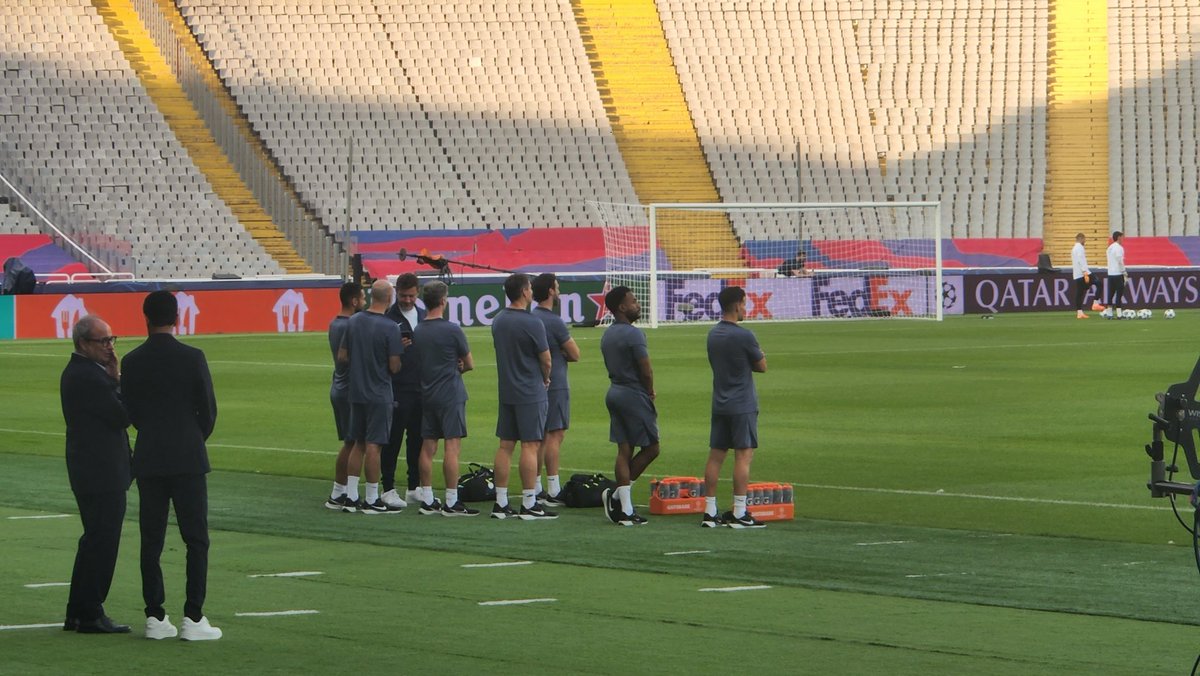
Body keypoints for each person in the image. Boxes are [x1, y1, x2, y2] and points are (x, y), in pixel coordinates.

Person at [122, 291, 221, 640]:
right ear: (177, 318)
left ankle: (154, 615)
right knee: (196, 539)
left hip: (149, 455)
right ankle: (193, 617)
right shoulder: (193, 357)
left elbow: (130, 412)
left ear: (146, 317)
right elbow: (208, 410)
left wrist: (153, 433)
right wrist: (192, 436)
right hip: (187, 456)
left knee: (151, 539)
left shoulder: (131, 361)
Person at [60, 315, 132, 634]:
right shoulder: (89, 377)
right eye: (102, 341)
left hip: (90, 468)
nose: (110, 347)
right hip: (101, 471)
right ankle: (90, 612)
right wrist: (118, 381)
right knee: (103, 541)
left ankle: (78, 611)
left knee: (93, 540)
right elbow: (122, 416)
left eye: (111, 339)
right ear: (83, 343)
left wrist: (112, 379)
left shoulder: (81, 372)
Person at [490, 273, 556, 520]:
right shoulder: (532, 322)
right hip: (529, 390)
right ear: (524, 292)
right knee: (530, 445)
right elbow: (546, 359)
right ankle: (529, 502)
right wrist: (545, 378)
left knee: (505, 446)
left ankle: (501, 501)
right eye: (529, 288)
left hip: (507, 389)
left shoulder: (498, 320)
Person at [703, 287, 768, 529]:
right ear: (738, 304)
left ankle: (709, 511)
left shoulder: (713, 334)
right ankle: (739, 512)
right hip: (742, 403)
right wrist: (758, 355)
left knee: (716, 455)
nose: (745, 308)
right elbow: (761, 366)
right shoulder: (745, 335)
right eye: (744, 304)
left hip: (720, 402)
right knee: (743, 455)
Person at [339, 278, 404, 514]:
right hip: (379, 392)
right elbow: (394, 366)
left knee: (358, 443)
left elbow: (342, 357)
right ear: (390, 298)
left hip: (357, 390)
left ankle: (351, 496)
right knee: (374, 445)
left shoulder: (354, 321)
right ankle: (372, 498)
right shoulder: (390, 327)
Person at [412, 280, 477, 516]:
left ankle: (428, 498)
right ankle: (451, 500)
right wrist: (458, 367)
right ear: (443, 301)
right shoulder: (452, 330)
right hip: (450, 393)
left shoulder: (419, 330)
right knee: (452, 446)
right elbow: (469, 363)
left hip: (428, 393)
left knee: (428, 445)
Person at [599, 286, 660, 526]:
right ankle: (617, 497)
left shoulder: (608, 334)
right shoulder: (634, 335)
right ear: (622, 307)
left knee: (624, 450)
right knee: (652, 448)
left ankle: (624, 507)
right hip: (633, 394)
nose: (638, 305)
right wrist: (650, 391)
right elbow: (646, 370)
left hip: (614, 391)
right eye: (633, 301)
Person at [531, 273, 580, 506]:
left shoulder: (531, 317)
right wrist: (561, 352)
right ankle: (553, 489)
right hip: (556, 382)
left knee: (539, 436)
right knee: (554, 434)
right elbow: (575, 354)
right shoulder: (554, 321)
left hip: (535, 383)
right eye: (557, 287)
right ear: (550, 291)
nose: (559, 291)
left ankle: (536, 486)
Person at [382, 273, 425, 508]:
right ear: (396, 292)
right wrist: (396, 348)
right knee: (393, 439)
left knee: (417, 439)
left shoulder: (424, 316)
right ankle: (388, 487)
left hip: (421, 387)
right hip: (397, 388)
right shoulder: (389, 319)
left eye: (411, 296)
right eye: (403, 295)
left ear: (417, 293)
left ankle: (413, 487)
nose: (407, 300)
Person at [324, 281, 364, 512]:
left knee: (349, 442)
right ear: (354, 301)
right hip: (349, 389)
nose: (365, 301)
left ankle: (339, 491)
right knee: (355, 443)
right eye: (362, 298)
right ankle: (342, 493)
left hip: (338, 386)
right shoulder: (351, 326)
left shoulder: (334, 323)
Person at [1071, 233, 1105, 319]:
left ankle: (1079, 313)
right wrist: (1085, 272)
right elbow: (1081, 260)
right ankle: (1095, 304)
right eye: (1084, 239)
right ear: (1081, 239)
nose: (1085, 241)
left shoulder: (1074, 248)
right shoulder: (1079, 248)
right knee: (1099, 284)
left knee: (1080, 293)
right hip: (1084, 273)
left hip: (1077, 274)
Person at [1106, 231, 1127, 318]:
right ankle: (1119, 314)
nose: (1123, 239)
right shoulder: (1119, 248)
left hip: (1110, 273)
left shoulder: (1109, 248)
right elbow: (1120, 261)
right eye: (1122, 237)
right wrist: (1124, 271)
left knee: (1110, 294)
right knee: (1119, 294)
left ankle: (1109, 313)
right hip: (1118, 273)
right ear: (1118, 237)